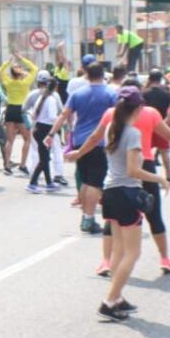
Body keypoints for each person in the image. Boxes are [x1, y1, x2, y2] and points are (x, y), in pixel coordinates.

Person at [90, 86, 170, 322]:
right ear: (137, 108)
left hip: (111, 192)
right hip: (126, 193)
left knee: (119, 250)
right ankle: (109, 300)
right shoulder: (132, 133)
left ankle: (116, 298)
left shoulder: (112, 131)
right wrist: (160, 178)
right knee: (132, 253)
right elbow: (134, 170)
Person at [49, 61, 115, 234]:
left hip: (79, 140)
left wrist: (51, 134)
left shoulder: (78, 94)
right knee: (94, 182)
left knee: (86, 180)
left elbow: (64, 115)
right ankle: (89, 218)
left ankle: (86, 217)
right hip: (99, 142)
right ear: (103, 74)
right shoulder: (110, 93)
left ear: (87, 74)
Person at [0, 50, 38, 174]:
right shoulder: (25, 83)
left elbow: (0, 71)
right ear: (20, 73)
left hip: (10, 110)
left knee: (9, 140)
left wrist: (8, 62)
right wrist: (21, 58)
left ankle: (7, 166)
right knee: (27, 139)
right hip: (21, 110)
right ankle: (22, 165)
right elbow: (34, 69)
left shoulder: (8, 82)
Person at [24, 70, 63, 192]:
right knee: (44, 159)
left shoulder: (42, 97)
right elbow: (52, 117)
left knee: (44, 157)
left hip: (39, 128)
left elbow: (33, 114)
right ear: (55, 88)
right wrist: (60, 121)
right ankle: (32, 183)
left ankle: (49, 182)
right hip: (45, 130)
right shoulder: (51, 99)